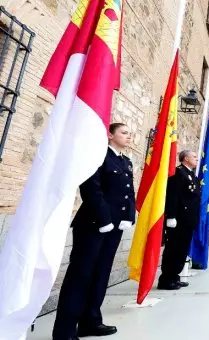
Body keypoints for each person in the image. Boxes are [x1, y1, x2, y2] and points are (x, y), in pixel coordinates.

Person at [52, 123, 136, 339]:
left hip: (115, 227)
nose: (129, 136)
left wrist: (128, 218)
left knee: (101, 274)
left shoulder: (125, 161)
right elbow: (91, 189)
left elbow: (129, 193)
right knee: (81, 275)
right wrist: (104, 220)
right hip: (93, 225)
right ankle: (65, 330)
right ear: (110, 135)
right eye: (124, 132)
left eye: (129, 133)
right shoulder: (98, 156)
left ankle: (91, 321)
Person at [158, 150, 201, 290]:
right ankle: (166, 279)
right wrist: (171, 216)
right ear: (186, 158)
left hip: (188, 221)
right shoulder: (178, 173)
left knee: (182, 250)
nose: (196, 159)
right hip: (178, 220)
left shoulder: (191, 175)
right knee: (173, 249)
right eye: (194, 157)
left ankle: (175, 277)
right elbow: (173, 196)